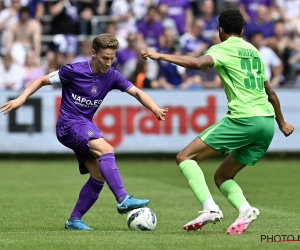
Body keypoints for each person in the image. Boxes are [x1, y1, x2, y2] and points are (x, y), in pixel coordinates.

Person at [141, 8, 294, 234]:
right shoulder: (254, 52)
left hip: (244, 118)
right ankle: (245, 209)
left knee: (185, 157)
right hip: (267, 123)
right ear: (241, 30)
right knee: (222, 176)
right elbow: (270, 92)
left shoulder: (223, 48)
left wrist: (160, 55)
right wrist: (282, 123)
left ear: (220, 30)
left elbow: (197, 64)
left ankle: (209, 208)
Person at [0, 33, 169, 231]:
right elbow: (41, 80)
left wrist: (155, 108)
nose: (108, 62)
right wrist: (21, 99)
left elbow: (137, 92)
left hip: (84, 124)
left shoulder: (112, 75)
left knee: (98, 174)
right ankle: (123, 198)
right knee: (107, 149)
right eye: (105, 58)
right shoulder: (73, 70)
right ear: (93, 53)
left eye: (112, 58)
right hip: (68, 124)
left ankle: (74, 220)